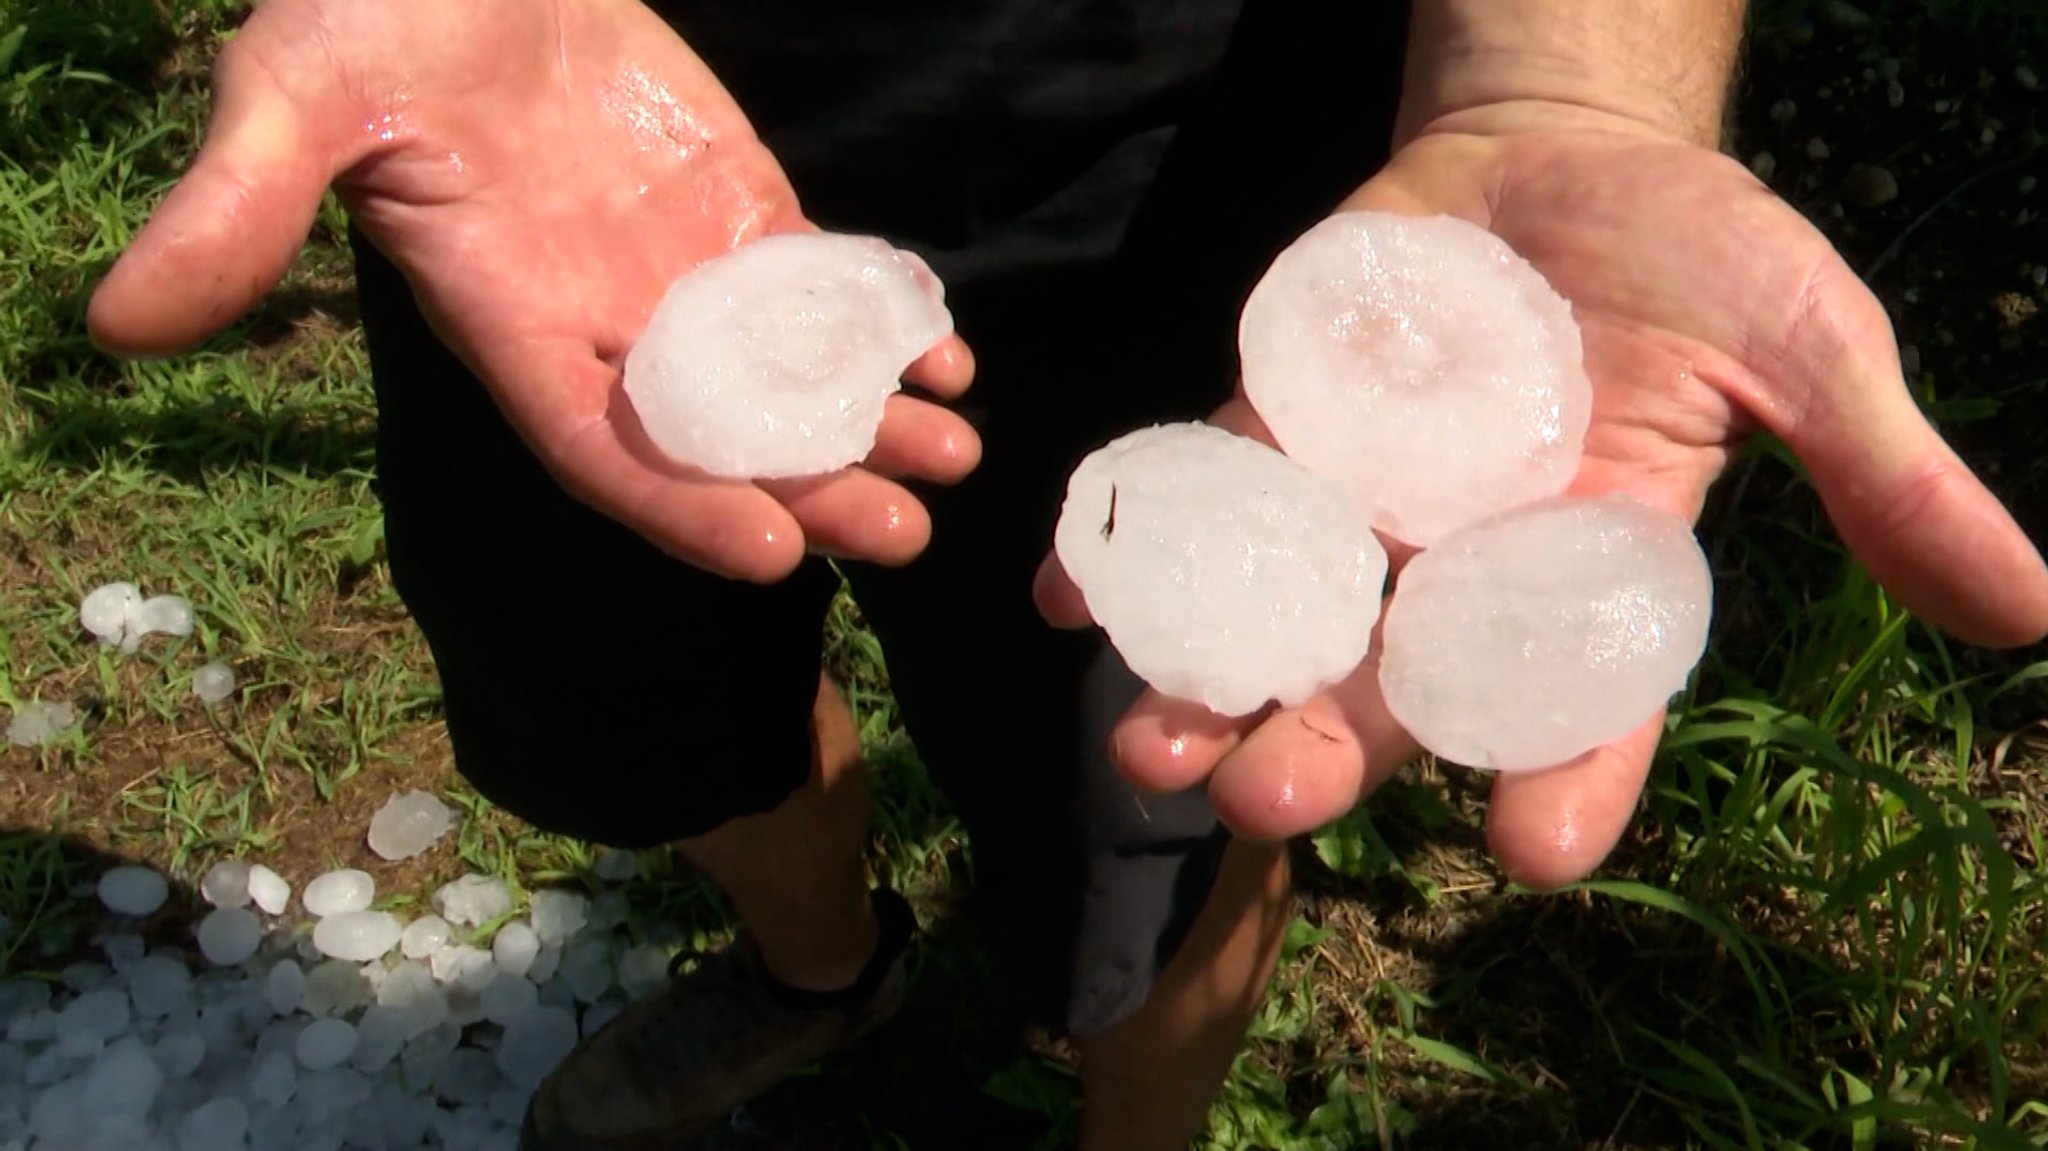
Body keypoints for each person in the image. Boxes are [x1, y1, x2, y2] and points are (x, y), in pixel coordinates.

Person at [88, 1, 2048, 1147]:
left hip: (1182, 159)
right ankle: (818, 976)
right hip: (560, 154)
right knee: (640, 702)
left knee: (1167, 790)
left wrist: (1573, 77)